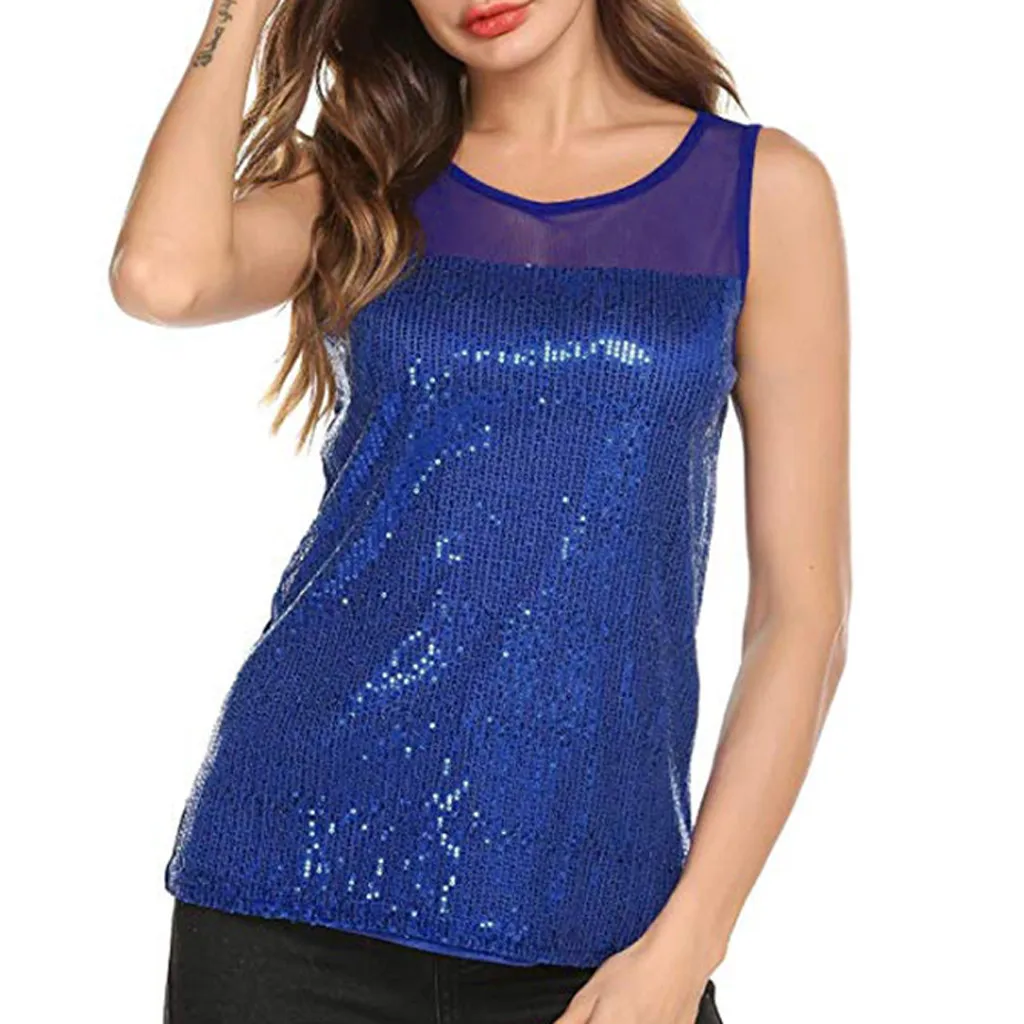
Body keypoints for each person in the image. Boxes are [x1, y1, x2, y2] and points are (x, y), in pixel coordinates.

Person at [109, 0, 851, 1021]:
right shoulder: (361, 181)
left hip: (599, 926)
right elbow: (162, 276)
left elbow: (801, 617)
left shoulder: (761, 190)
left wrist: (687, 944)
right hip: (291, 897)